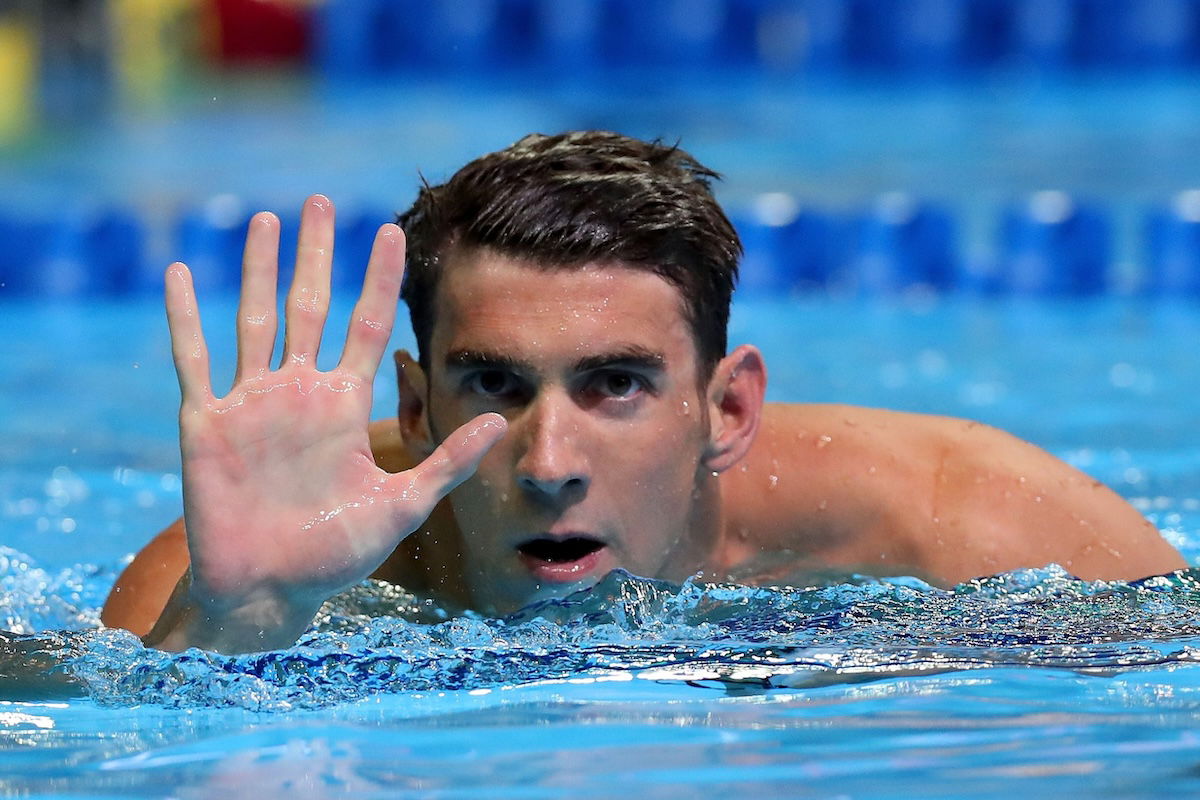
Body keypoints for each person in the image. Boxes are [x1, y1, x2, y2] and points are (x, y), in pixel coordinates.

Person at [101, 131, 1187, 654]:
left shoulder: (961, 526)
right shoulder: (248, 563)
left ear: (726, 409)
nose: (548, 459)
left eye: (615, 383)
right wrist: (240, 623)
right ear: (418, 406)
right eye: (495, 384)